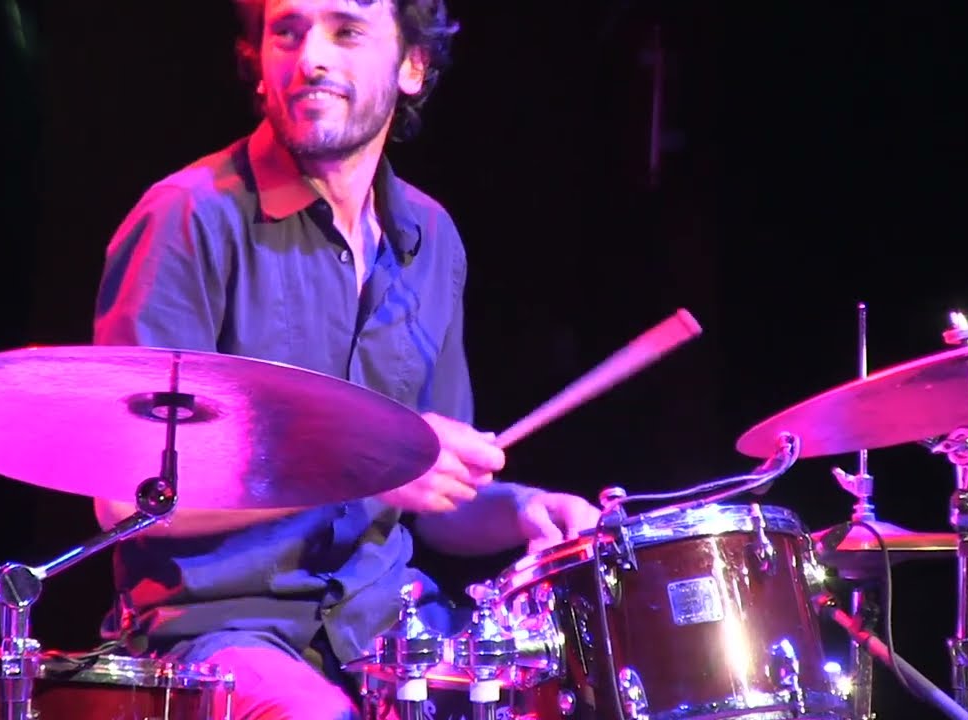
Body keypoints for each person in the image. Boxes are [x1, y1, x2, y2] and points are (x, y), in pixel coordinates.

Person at [90, 1, 602, 716]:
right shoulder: (188, 216)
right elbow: (130, 498)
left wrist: (523, 510)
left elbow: (436, 505)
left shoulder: (430, 237)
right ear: (259, 67)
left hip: (387, 625)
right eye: (288, 32)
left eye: (347, 30)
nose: (312, 58)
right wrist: (368, 464)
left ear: (413, 64)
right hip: (218, 633)